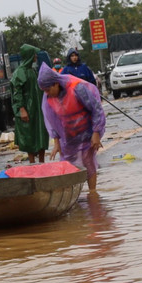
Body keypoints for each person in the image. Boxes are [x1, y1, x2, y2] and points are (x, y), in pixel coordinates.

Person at [38, 63, 107, 193]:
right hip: (68, 135)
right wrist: (57, 143)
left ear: (55, 84)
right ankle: (73, 196)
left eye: (48, 90)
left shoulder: (77, 88)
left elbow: (96, 109)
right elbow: (52, 122)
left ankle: (93, 194)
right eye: (44, 91)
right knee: (67, 165)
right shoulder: (48, 98)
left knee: (88, 161)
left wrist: (96, 133)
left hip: (86, 130)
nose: (46, 93)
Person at [10, 43, 51, 162]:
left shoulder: (32, 70)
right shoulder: (20, 72)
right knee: (29, 135)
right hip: (28, 109)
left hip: (38, 109)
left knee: (41, 134)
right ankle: (32, 162)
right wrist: (22, 109)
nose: (36, 57)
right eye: (34, 54)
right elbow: (17, 93)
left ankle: (42, 162)